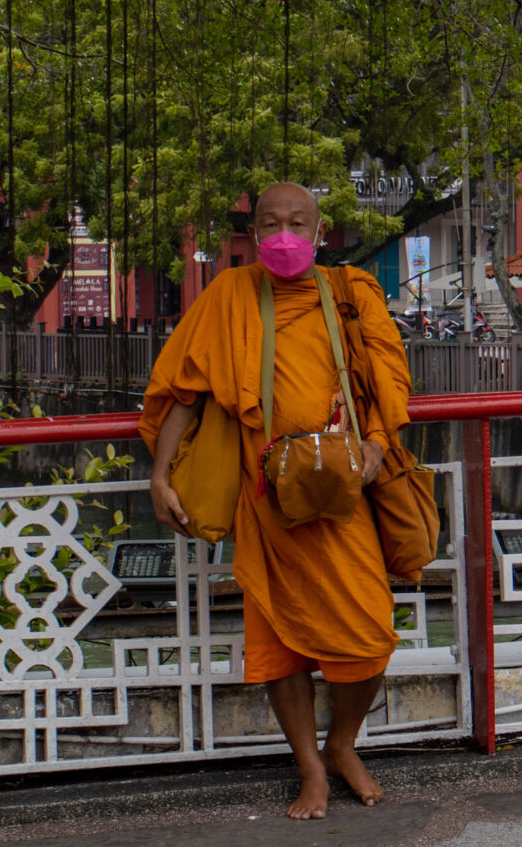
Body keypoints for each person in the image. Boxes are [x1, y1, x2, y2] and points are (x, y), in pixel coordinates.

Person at [141, 184, 411, 820]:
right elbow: (185, 390)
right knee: (278, 645)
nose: (283, 234)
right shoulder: (228, 296)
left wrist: (376, 441)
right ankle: (311, 769)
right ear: (252, 232)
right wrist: (160, 474)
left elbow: (389, 373)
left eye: (296, 223)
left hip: (339, 492)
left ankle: (343, 744)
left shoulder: (352, 292)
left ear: (319, 232)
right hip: (266, 498)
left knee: (371, 633)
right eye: (269, 223)